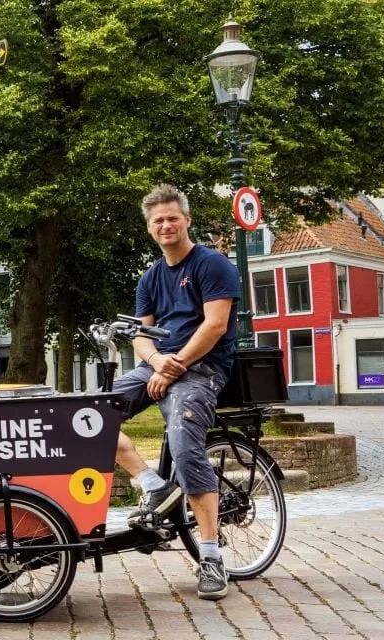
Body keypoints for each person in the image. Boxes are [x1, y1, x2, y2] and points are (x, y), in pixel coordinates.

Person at [110, 184, 240, 600]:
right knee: (88, 416)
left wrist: (174, 365)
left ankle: (211, 556)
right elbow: (139, 334)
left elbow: (215, 325)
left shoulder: (212, 264)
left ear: (187, 221)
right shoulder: (150, 277)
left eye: (172, 218)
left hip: (202, 369)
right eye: (157, 221)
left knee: (185, 448)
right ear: (149, 228)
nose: (165, 225)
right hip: (160, 366)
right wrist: (155, 362)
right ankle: (153, 485)